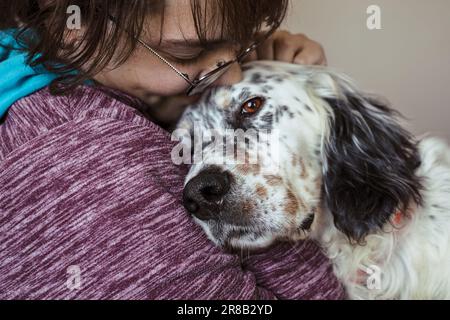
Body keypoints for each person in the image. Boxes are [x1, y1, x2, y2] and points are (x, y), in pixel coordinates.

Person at [0, 0, 344, 299]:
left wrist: (285, 81)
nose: (233, 76)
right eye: (190, 51)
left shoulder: (31, 73)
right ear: (70, 25)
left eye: (242, 42)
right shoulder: (80, 157)